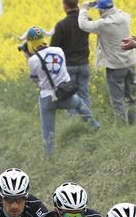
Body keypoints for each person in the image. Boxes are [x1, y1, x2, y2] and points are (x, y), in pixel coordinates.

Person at [25, 26, 99, 157]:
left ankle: (49, 156)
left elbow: (35, 80)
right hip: (65, 94)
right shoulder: (58, 50)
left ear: (30, 42)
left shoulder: (32, 60)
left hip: (47, 98)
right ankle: (95, 126)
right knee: (79, 104)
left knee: (47, 129)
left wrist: (27, 56)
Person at [79, 0, 136, 125]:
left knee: (118, 101)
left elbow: (83, 25)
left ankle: (122, 129)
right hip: (130, 63)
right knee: (131, 98)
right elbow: (119, 11)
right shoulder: (125, 17)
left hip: (115, 67)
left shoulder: (103, 24)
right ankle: (133, 124)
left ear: (101, 10)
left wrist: (84, 9)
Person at [51, 0, 92, 111]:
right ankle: (87, 122)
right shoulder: (87, 21)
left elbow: (53, 48)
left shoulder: (61, 25)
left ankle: (74, 124)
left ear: (65, 6)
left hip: (68, 66)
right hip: (84, 64)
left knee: (70, 97)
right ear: (77, 5)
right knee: (84, 94)